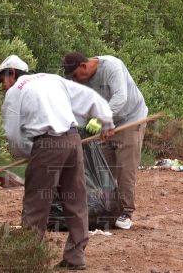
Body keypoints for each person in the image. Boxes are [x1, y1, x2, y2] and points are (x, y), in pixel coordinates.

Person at [0, 54, 115, 270]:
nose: (2, 86)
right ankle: (75, 258)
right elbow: (88, 97)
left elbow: (13, 136)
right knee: (75, 200)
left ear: (11, 73)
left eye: (1, 80)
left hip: (47, 145)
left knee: (36, 203)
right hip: (73, 141)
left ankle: (28, 258)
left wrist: (28, 153)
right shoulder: (51, 79)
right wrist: (107, 121)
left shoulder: (14, 93)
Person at [62, 52, 148, 229]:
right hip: (106, 123)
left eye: (76, 76)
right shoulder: (81, 80)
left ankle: (126, 213)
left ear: (84, 66)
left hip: (130, 120)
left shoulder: (112, 67)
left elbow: (120, 98)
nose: (76, 81)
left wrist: (102, 119)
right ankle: (108, 210)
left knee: (125, 169)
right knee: (103, 170)